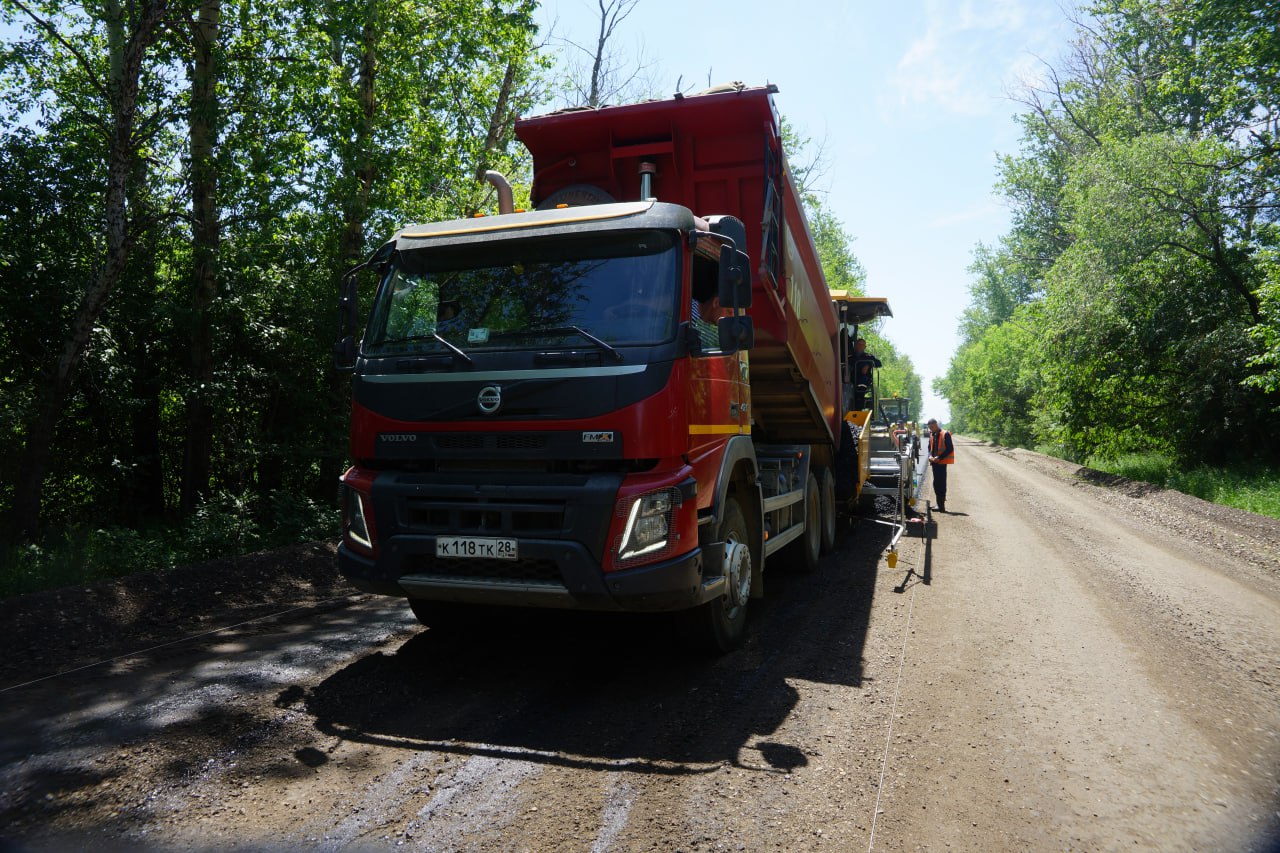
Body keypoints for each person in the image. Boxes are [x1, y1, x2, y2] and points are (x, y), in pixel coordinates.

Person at [927, 418, 955, 512]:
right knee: (936, 483)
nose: (931, 429)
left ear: (936, 425)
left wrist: (939, 457)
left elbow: (950, 448)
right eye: (929, 427)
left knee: (941, 484)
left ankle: (941, 506)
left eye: (932, 427)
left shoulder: (945, 434)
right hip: (934, 462)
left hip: (941, 463)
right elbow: (929, 448)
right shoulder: (931, 434)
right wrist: (930, 456)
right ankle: (939, 504)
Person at [848, 337, 881, 411]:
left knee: (861, 390)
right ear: (855, 345)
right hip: (851, 379)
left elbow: (879, 363)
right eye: (859, 344)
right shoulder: (850, 357)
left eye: (862, 345)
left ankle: (859, 407)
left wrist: (869, 364)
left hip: (864, 380)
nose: (860, 346)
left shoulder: (868, 357)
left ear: (865, 347)